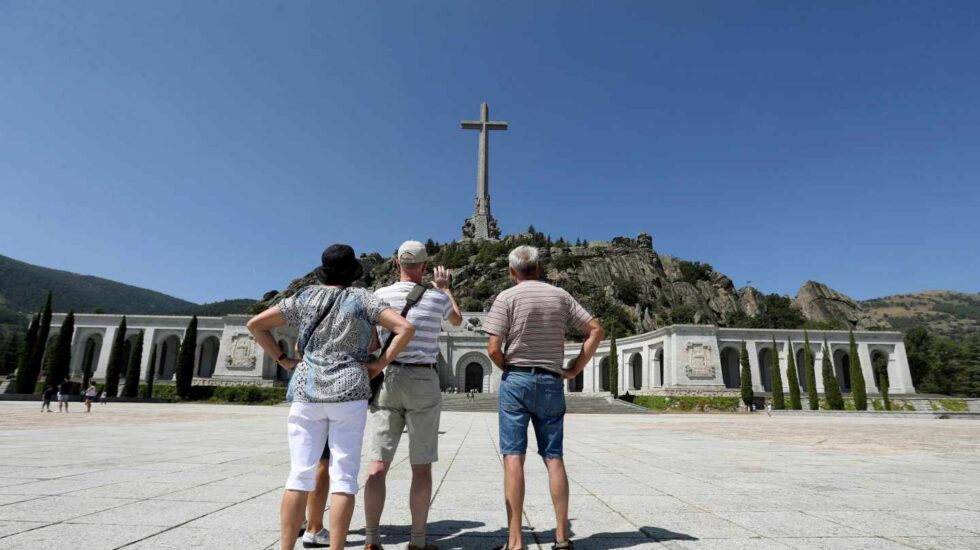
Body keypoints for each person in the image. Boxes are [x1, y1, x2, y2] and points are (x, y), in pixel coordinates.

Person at [247, 244, 415, 550]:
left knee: (299, 473)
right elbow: (404, 328)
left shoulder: (304, 296)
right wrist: (378, 364)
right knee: (344, 477)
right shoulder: (362, 298)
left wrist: (283, 360)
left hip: (306, 390)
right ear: (352, 272)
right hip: (349, 392)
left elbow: (255, 325)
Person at [485, 246, 604, 550]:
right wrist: (575, 368)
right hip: (552, 381)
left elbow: (493, 348)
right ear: (539, 268)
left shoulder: (506, 298)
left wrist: (508, 368)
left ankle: (515, 542)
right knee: (554, 458)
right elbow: (595, 330)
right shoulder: (561, 296)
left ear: (512, 271)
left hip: (517, 380)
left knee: (513, 456)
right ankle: (562, 539)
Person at [363, 241, 463, 550]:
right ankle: (418, 541)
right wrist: (445, 288)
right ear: (425, 266)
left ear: (396, 264)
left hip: (387, 375)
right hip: (422, 377)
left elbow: (370, 345)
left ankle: (371, 540)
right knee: (421, 465)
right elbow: (457, 322)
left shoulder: (378, 297)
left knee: (378, 465)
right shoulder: (435, 297)